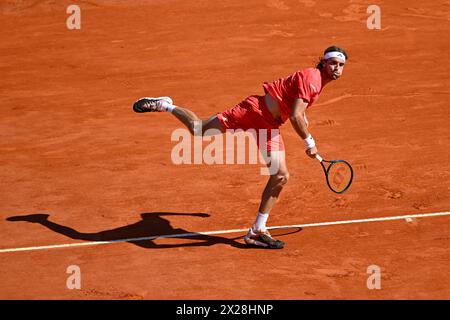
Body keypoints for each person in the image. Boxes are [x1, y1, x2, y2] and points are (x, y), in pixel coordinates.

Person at [132, 45, 348, 249]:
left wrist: (303, 117)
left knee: (281, 176)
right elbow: (295, 115)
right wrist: (309, 142)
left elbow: (295, 106)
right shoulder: (312, 77)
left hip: (270, 125)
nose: (337, 68)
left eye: (341, 65)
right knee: (198, 129)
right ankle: (166, 105)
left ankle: (257, 231)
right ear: (323, 63)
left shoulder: (318, 84)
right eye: (333, 63)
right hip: (252, 112)